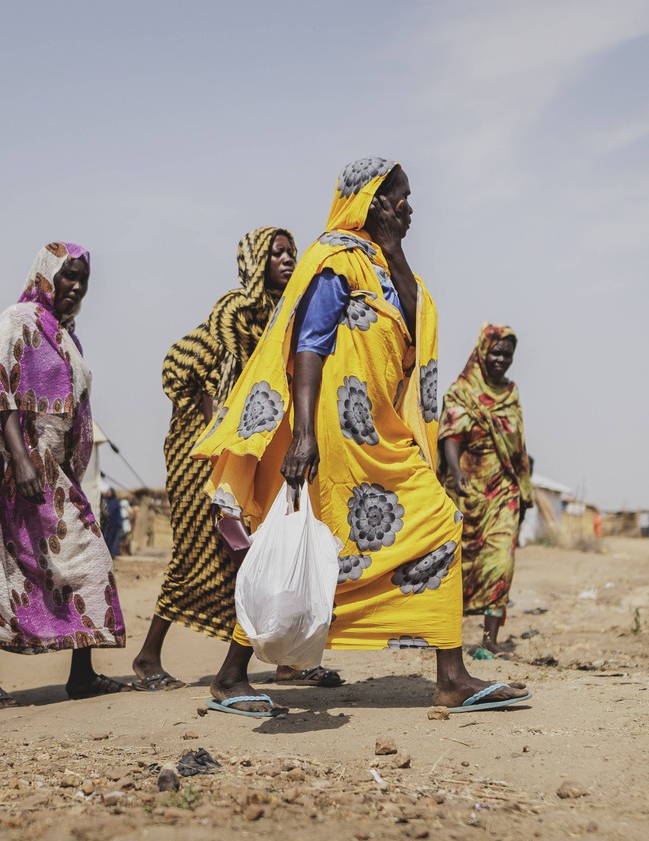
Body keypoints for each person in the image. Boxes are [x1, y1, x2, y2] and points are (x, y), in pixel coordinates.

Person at [191, 158, 531, 717]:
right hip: (332, 437)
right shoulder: (336, 261)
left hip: (379, 434)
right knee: (309, 547)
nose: (410, 208)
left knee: (419, 530)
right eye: (401, 198)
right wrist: (303, 435)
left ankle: (451, 678)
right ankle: (231, 676)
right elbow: (309, 346)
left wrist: (394, 250)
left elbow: (416, 325)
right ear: (374, 203)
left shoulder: (385, 268)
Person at [133, 228, 346, 691]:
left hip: (259, 449)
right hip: (205, 452)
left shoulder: (288, 312)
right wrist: (219, 426)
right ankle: (148, 657)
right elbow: (187, 366)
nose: (287, 260)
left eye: (291, 252)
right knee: (199, 553)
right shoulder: (235, 312)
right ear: (255, 261)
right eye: (276, 253)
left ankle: (287, 660)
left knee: (267, 551)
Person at [0, 241, 128, 711]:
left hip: (54, 472)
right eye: (68, 275)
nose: (76, 287)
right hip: (11, 468)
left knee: (88, 560)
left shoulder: (67, 337)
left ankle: (82, 675)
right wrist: (22, 461)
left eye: (83, 280)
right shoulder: (18, 321)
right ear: (46, 274)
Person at [439, 324, 533, 655]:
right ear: (482, 352)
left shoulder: (511, 393)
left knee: (501, 562)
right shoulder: (462, 391)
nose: (501, 360)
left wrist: (523, 490)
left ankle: (490, 640)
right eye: (495, 352)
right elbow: (451, 436)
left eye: (507, 354)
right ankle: (447, 636)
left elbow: (518, 446)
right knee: (459, 564)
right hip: (468, 488)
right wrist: (456, 471)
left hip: (504, 489)